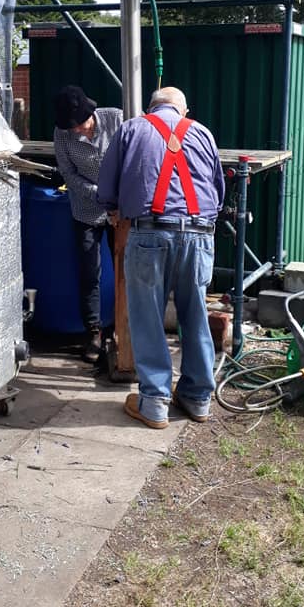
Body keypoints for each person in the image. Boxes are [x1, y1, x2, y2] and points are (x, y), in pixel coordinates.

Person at [97, 86, 225, 428]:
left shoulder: (131, 129)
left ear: (151, 108)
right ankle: (197, 398)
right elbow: (218, 190)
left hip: (149, 233)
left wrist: (113, 209)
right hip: (199, 235)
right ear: (182, 111)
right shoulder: (203, 133)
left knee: (147, 316)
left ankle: (154, 402)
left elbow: (106, 188)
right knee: (195, 315)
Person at [53, 85, 123, 362]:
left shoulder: (118, 119)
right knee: (89, 272)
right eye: (72, 128)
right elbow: (68, 174)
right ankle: (93, 331)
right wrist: (102, 196)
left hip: (122, 210)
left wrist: (121, 200)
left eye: (81, 124)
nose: (77, 131)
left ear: (91, 113)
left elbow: (140, 153)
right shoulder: (62, 134)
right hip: (86, 209)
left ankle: (123, 327)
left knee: (125, 270)